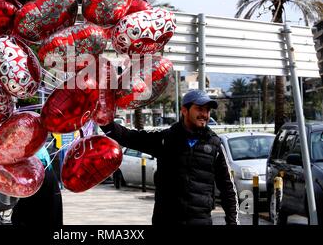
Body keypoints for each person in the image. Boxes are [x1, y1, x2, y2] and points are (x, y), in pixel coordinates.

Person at [101, 89, 239, 225]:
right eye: (200, 109)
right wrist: (103, 121)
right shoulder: (166, 139)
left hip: (200, 221)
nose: (205, 114)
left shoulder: (215, 145)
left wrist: (232, 222)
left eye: (207, 110)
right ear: (184, 110)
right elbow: (129, 137)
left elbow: (228, 189)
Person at [11, 146, 63, 228]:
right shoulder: (34, 142)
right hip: (43, 175)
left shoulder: (19, 145)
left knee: (24, 217)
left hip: (35, 176)